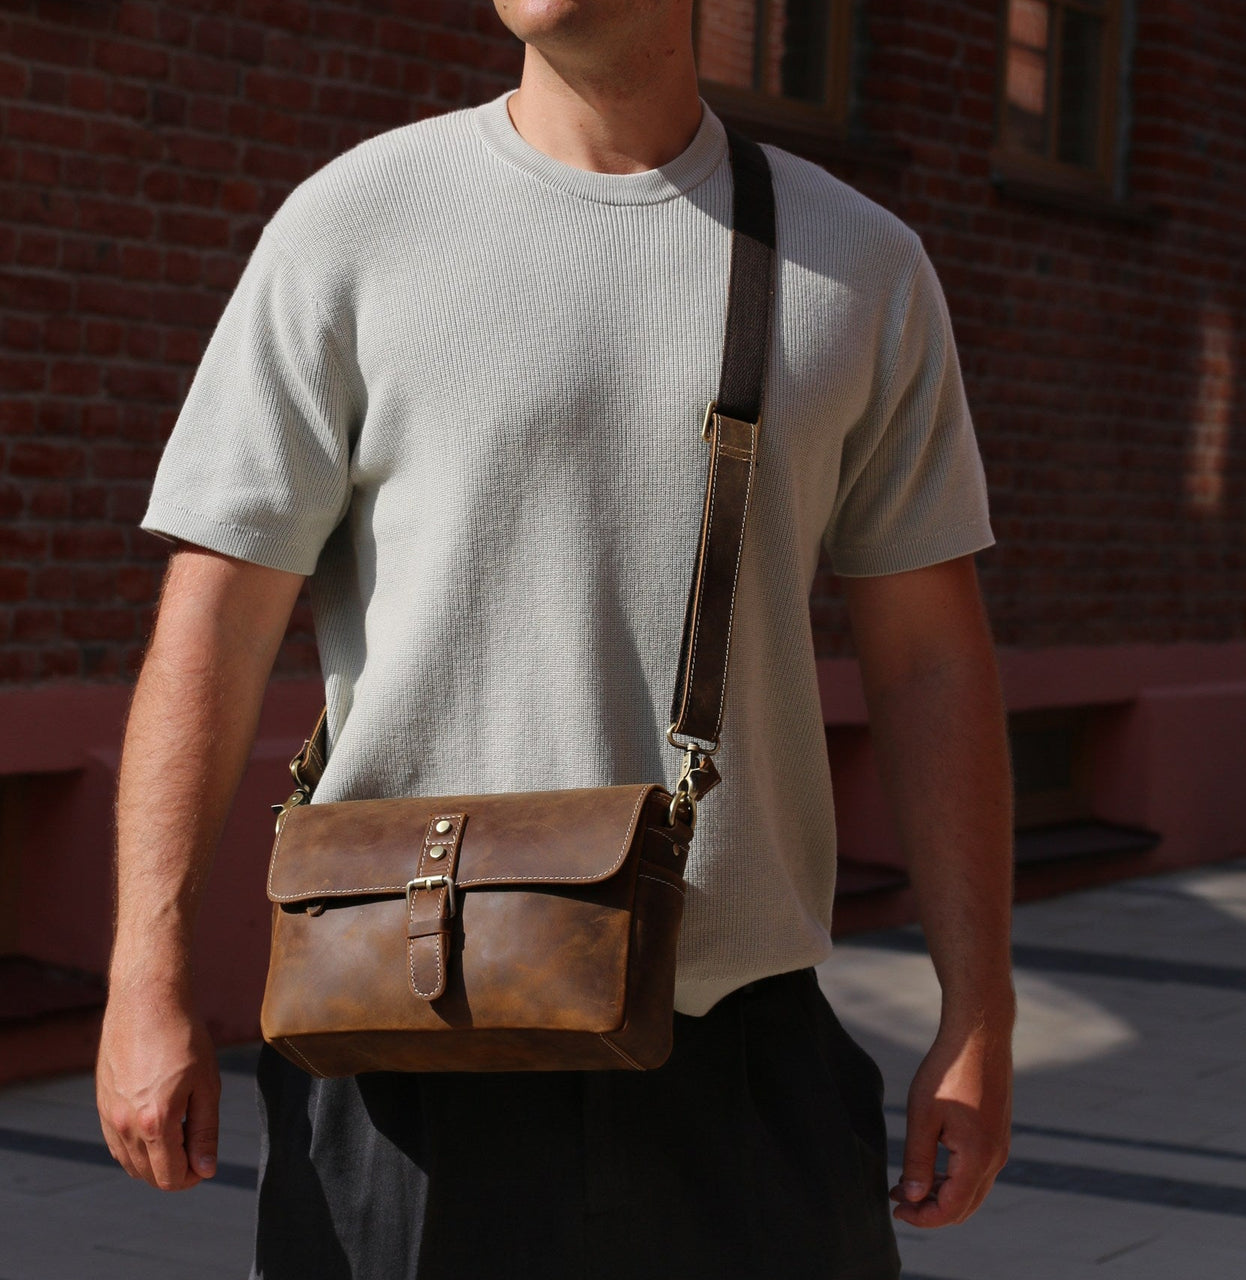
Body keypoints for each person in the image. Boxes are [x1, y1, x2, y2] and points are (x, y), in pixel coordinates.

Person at [95, 2, 1015, 1277]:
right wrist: (146, 975)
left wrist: (979, 1008)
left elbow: (930, 663)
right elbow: (211, 624)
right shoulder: (353, 221)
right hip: (402, 1043)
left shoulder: (857, 261)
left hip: (739, 1057)